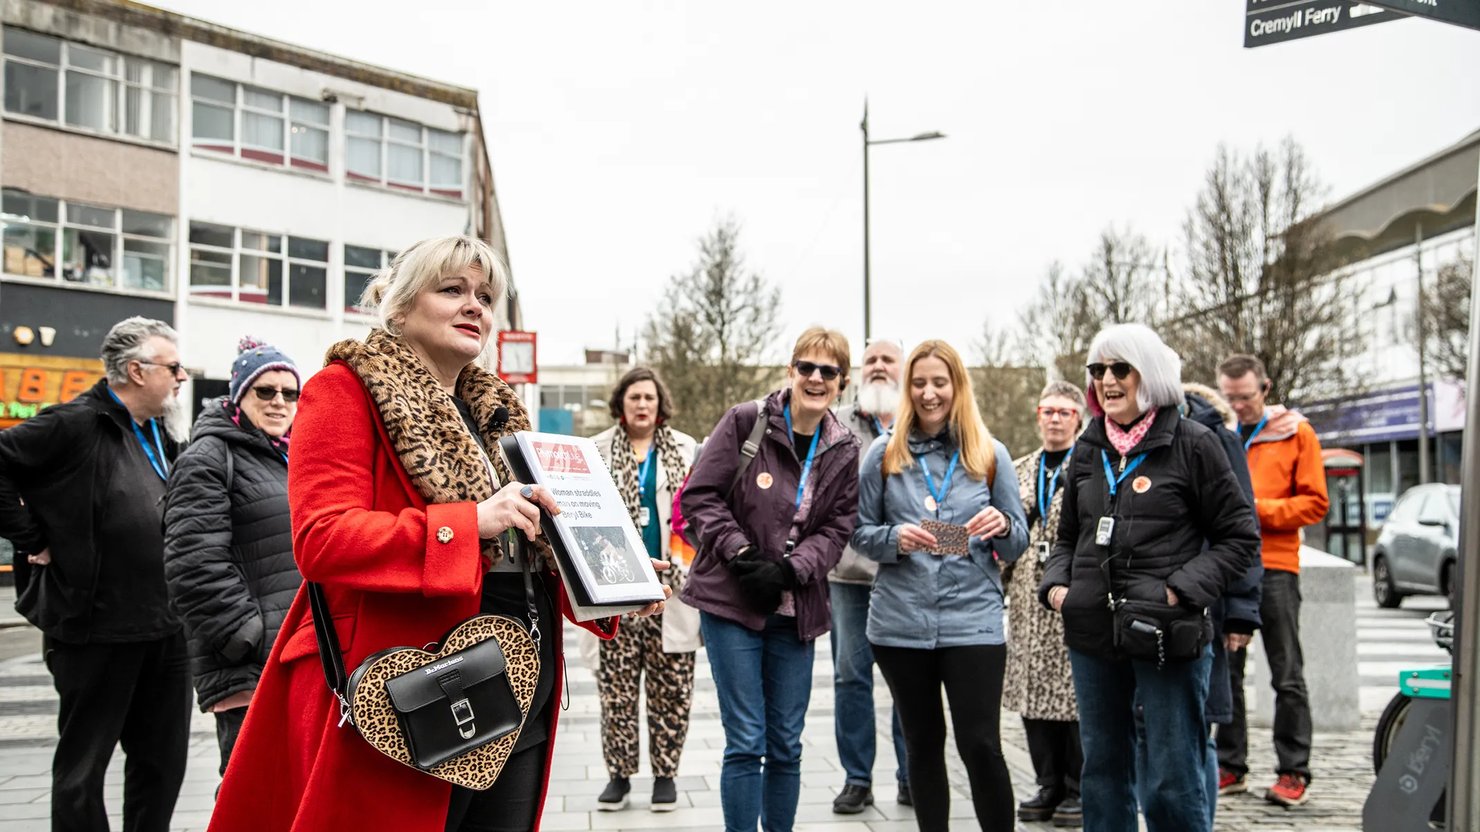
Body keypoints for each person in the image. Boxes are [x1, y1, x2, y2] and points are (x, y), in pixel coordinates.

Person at [206, 235, 665, 832]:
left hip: (523, 682)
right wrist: (467, 524)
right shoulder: (345, 389)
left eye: (485, 295)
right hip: (411, 688)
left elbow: (527, 551)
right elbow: (321, 538)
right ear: (399, 306)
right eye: (452, 290)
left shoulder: (498, 412)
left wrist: (613, 577)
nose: (475, 305)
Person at [1039, 323, 1259, 832]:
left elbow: (1239, 538)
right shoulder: (1089, 449)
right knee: (1103, 771)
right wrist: (1057, 588)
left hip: (1167, 633)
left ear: (1150, 374)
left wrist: (1178, 590)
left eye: (1121, 369)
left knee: (1171, 775)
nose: (1107, 380)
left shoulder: (1195, 444)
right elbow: (1067, 534)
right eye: (1098, 370)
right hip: (1093, 631)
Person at [0, 316, 193, 832]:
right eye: (174, 367)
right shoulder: (76, 422)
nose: (181, 378)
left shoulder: (163, 431)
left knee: (164, 762)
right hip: (95, 626)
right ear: (135, 370)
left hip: (166, 626)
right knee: (83, 767)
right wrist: (32, 538)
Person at [680, 326, 862, 832]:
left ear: (842, 383)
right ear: (791, 371)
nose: (816, 378)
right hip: (733, 602)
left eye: (828, 371)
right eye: (807, 366)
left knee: (786, 743)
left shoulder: (845, 447)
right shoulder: (746, 421)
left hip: (795, 608)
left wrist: (790, 568)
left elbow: (838, 525)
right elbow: (700, 496)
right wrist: (741, 554)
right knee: (747, 740)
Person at [853, 338, 1029, 832]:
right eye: (920, 383)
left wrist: (1002, 526)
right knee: (922, 744)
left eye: (940, 382)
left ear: (957, 387)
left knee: (980, 744)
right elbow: (860, 534)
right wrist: (895, 538)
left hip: (972, 621)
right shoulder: (882, 456)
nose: (930, 394)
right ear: (908, 389)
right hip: (900, 624)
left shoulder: (990, 454)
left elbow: (1017, 542)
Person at [163, 337, 303, 777]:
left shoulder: (288, 456)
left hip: (292, 658)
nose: (279, 402)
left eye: (290, 392)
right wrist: (246, 637)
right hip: (250, 666)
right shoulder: (209, 457)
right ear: (239, 396)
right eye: (266, 391)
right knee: (253, 794)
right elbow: (192, 564)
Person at [1215, 353, 1329, 807]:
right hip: (1229, 566)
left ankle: (1293, 770)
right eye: (1229, 398)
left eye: (1244, 398)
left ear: (1265, 389)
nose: (1238, 406)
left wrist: (1256, 509)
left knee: (1286, 673)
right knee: (1227, 671)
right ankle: (1231, 764)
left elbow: (1315, 503)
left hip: (1277, 564)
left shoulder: (1295, 433)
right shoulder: (1219, 435)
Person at [590, 367, 700, 812]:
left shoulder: (685, 448)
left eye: (649, 398)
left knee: (672, 689)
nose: (642, 405)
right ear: (621, 403)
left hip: (672, 593)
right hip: (616, 593)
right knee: (616, 690)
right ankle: (618, 774)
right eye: (634, 397)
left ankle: (666, 775)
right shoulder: (595, 450)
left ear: (660, 405)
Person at [828, 338, 911, 814]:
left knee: (908, 678)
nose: (879, 367)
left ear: (903, 368)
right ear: (860, 370)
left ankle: (910, 773)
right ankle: (857, 778)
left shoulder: (923, 422)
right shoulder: (837, 421)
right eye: (872, 360)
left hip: (909, 574)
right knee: (850, 676)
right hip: (850, 573)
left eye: (888, 359)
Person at [1004, 380, 1086, 827]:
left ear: (1078, 418)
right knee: (1032, 694)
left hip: (1069, 597)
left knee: (1070, 697)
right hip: (1025, 600)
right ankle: (1047, 782)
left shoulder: (1089, 467)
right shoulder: (1018, 469)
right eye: (1048, 411)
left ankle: (1077, 786)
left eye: (1064, 412)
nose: (1054, 419)